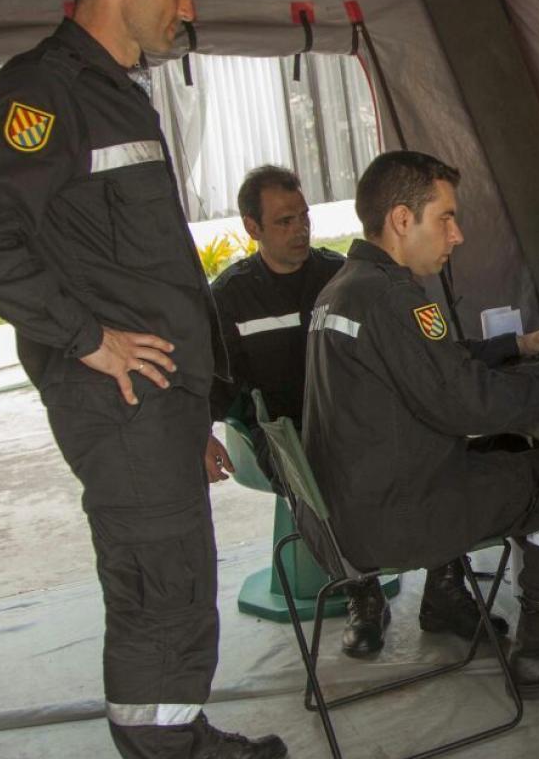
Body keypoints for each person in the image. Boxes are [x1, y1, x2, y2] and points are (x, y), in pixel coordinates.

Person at [0, 0, 281, 759]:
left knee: (181, 577)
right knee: (157, 591)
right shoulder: (48, 90)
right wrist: (85, 337)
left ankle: (183, 737)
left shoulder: (117, 90)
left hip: (157, 402)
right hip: (115, 400)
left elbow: (137, 266)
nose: (189, 6)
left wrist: (192, 409)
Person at [303, 150, 539, 695]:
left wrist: (517, 346)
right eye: (445, 217)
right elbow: (467, 404)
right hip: (396, 517)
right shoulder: (392, 297)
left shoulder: (346, 288)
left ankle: (462, 601)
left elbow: (429, 364)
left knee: (509, 453)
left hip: (347, 512)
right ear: (403, 219)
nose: (458, 234)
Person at [205, 165, 504, 656]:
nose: (300, 229)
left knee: (433, 440)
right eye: (284, 221)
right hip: (293, 432)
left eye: (304, 217)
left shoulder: (341, 276)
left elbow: (423, 356)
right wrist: (201, 431)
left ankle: (446, 588)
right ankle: (361, 592)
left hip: (365, 419)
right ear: (251, 227)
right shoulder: (230, 298)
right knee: (323, 471)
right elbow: (212, 381)